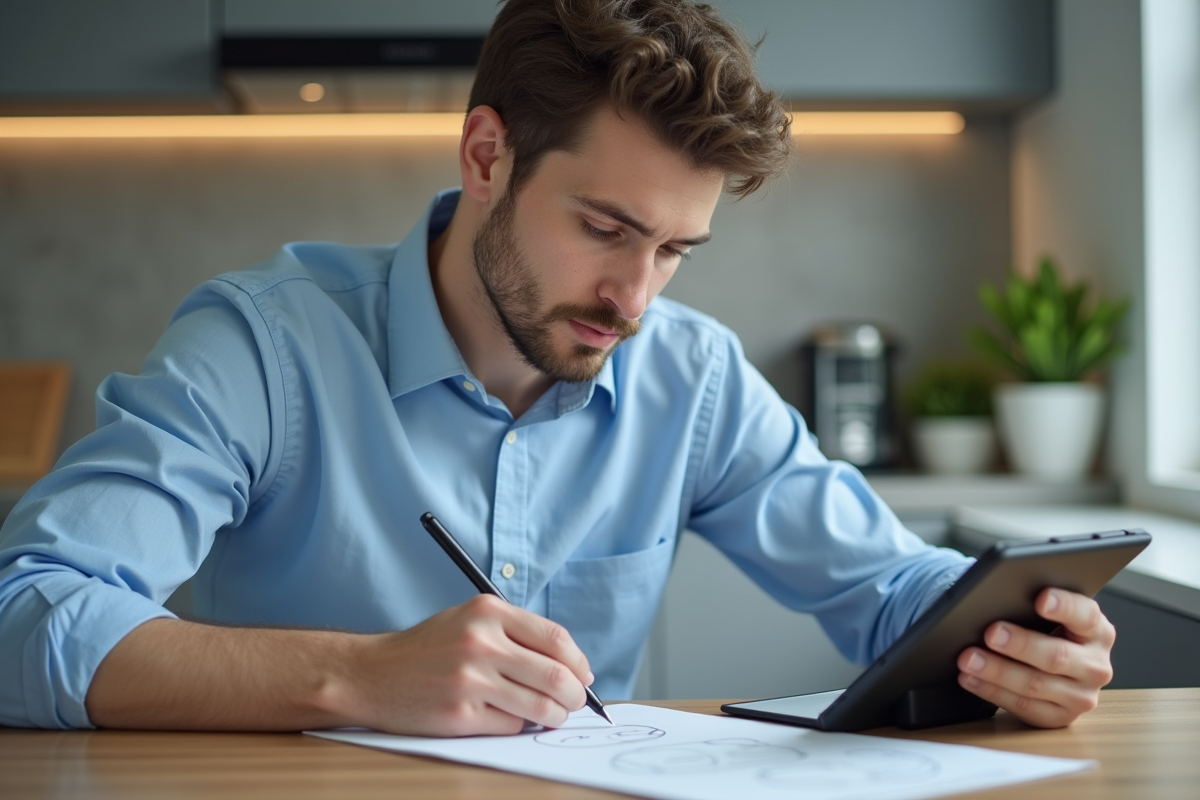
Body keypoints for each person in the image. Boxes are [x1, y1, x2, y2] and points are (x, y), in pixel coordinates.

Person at [0, 0, 1114, 735]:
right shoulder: (261, 347)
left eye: (674, 249)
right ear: (488, 156)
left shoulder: (697, 380)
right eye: (604, 225)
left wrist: (1014, 638)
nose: (635, 297)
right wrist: (357, 674)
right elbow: (28, 613)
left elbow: (891, 589)